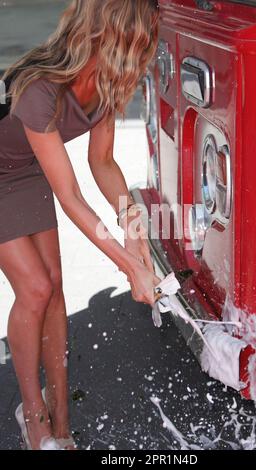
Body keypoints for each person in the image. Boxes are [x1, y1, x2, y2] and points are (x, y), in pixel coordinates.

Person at [0, 0, 160, 450]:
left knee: (54, 289)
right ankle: (32, 414)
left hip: (30, 168)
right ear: (110, 36)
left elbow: (103, 163)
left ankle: (62, 418)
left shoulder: (108, 81)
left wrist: (132, 221)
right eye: (140, 39)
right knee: (33, 287)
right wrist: (130, 266)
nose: (146, 50)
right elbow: (71, 196)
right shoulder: (39, 86)